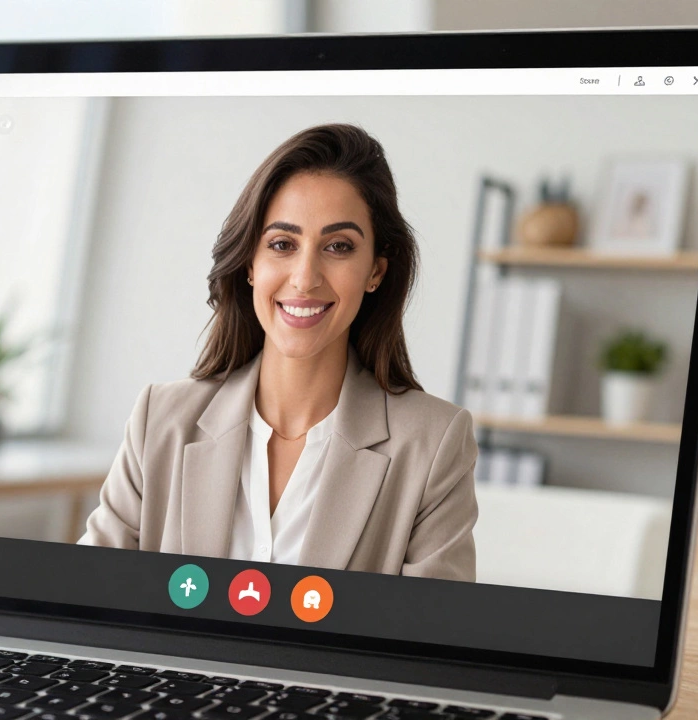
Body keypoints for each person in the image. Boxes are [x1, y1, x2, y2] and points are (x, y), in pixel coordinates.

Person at [79, 124, 479, 581]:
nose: (305, 277)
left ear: (375, 271)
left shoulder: (434, 444)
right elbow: (90, 594)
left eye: (338, 247)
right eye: (282, 244)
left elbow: (427, 639)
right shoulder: (160, 420)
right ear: (251, 263)